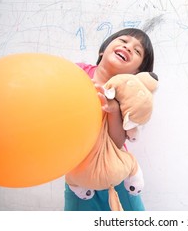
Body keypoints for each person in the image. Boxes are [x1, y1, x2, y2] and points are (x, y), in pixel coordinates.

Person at [64, 28, 155, 211]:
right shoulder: (78, 72)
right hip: (79, 173)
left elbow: (117, 141)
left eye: (137, 51)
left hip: (114, 168)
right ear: (102, 50)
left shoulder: (127, 95)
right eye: (123, 41)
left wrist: (114, 110)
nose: (128, 47)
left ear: (137, 73)